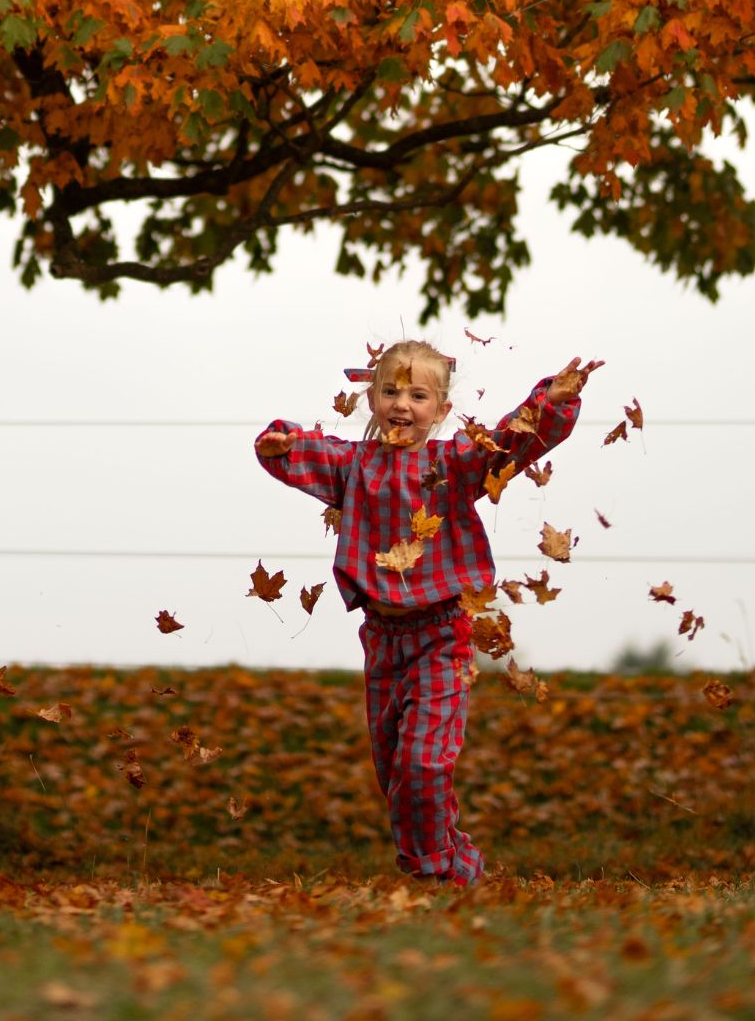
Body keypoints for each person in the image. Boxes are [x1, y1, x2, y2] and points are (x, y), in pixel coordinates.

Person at [255, 340, 602, 886]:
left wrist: (551, 400)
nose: (402, 404)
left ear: (440, 411)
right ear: (371, 398)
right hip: (383, 638)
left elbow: (513, 440)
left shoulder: (455, 462)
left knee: (424, 763)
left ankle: (440, 872)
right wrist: (277, 444)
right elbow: (301, 451)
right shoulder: (353, 465)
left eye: (418, 395)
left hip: (443, 634)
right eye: (390, 391)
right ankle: (441, 864)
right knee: (395, 769)